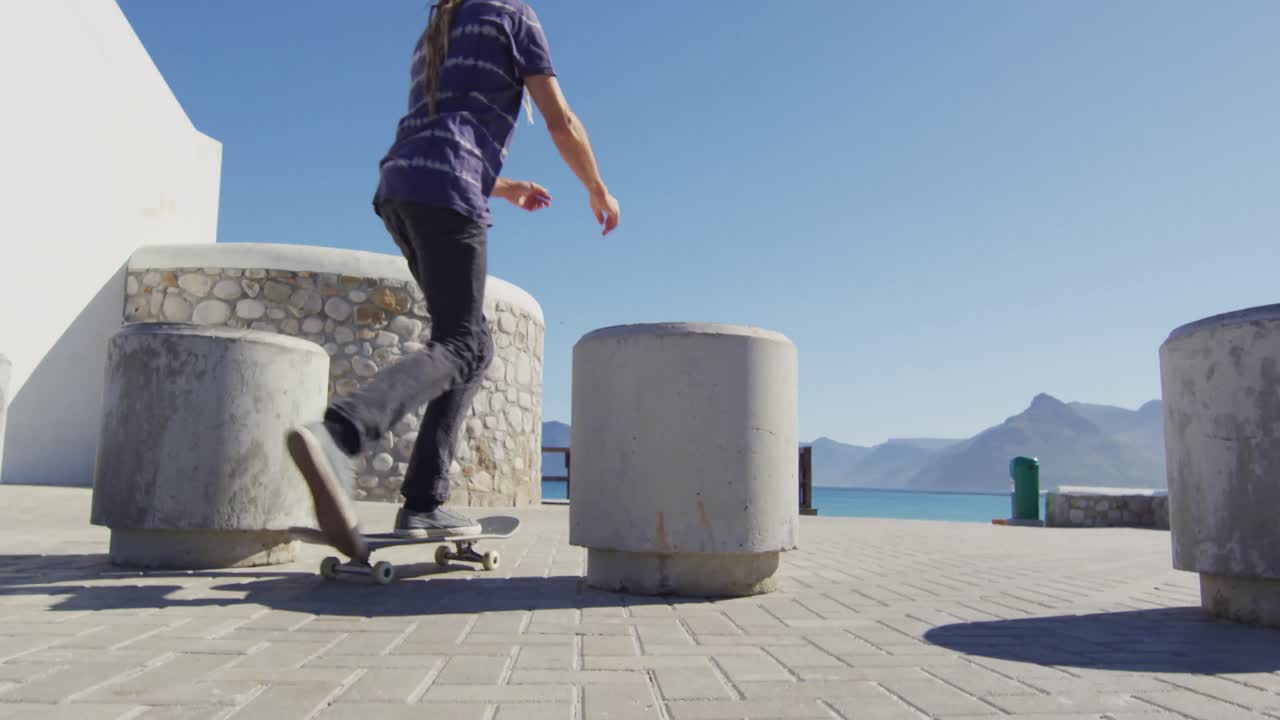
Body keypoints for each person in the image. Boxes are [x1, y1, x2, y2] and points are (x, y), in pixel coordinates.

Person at [286, 0, 618, 559]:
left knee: (473, 344)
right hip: (445, 193)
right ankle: (341, 433)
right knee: (464, 344)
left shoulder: (439, 27)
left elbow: (441, 131)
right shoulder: (514, 15)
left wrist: (505, 186)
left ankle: (424, 501)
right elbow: (560, 121)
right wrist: (597, 187)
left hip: (401, 187)